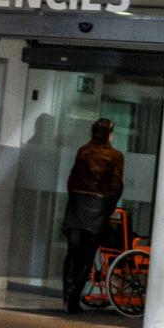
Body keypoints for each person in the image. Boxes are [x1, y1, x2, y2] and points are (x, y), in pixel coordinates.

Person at [60, 117, 124, 313]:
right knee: (87, 256)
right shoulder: (115, 156)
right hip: (98, 206)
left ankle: (67, 293)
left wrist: (75, 199)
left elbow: (71, 181)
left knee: (72, 253)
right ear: (109, 134)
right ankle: (74, 296)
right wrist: (108, 207)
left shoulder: (83, 151)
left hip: (78, 205)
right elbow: (116, 186)